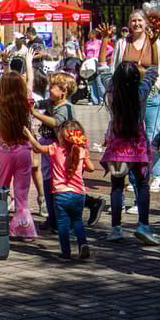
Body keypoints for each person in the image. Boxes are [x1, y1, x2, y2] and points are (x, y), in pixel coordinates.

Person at [96, 24, 160, 245]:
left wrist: (105, 39)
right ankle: (143, 225)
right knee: (142, 184)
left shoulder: (111, 92)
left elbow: (102, 65)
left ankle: (116, 228)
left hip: (117, 142)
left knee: (116, 185)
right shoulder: (140, 93)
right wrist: (152, 42)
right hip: (137, 143)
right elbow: (154, 69)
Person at [31, 72, 104, 230]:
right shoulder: (53, 102)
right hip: (57, 147)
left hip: (67, 151)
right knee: (53, 183)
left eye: (53, 88)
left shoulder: (65, 108)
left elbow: (56, 122)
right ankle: (53, 218)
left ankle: (86, 205)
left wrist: (35, 113)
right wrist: (34, 104)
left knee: (62, 185)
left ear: (63, 91)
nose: (49, 90)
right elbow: (43, 103)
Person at [111, 9, 160, 192]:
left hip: (151, 94)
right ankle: (133, 174)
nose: (137, 24)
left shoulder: (156, 44)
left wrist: (158, 85)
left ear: (145, 23)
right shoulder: (122, 43)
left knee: (152, 135)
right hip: (129, 98)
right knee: (132, 134)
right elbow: (115, 68)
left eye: (140, 20)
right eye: (133, 21)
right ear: (129, 24)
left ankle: (157, 175)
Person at [24, 120, 94, 261]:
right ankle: (83, 243)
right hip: (79, 194)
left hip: (60, 194)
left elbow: (37, 148)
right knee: (77, 221)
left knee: (62, 223)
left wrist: (28, 135)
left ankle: (66, 253)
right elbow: (91, 168)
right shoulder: (81, 151)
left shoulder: (55, 148)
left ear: (61, 137)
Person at [0, 71, 37, 240]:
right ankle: (26, 230)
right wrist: (28, 63)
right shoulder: (27, 102)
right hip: (24, 151)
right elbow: (31, 82)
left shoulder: (0, 103)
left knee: (1, 188)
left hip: (6, 151)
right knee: (22, 193)